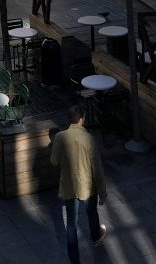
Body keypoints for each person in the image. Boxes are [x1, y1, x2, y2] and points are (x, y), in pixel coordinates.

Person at [50, 105, 107, 263]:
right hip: (88, 187)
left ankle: (75, 260)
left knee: (71, 225)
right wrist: (103, 192)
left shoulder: (61, 137)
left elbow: (54, 161)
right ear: (82, 119)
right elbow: (97, 168)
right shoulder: (88, 138)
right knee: (91, 212)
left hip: (70, 187)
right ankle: (95, 237)